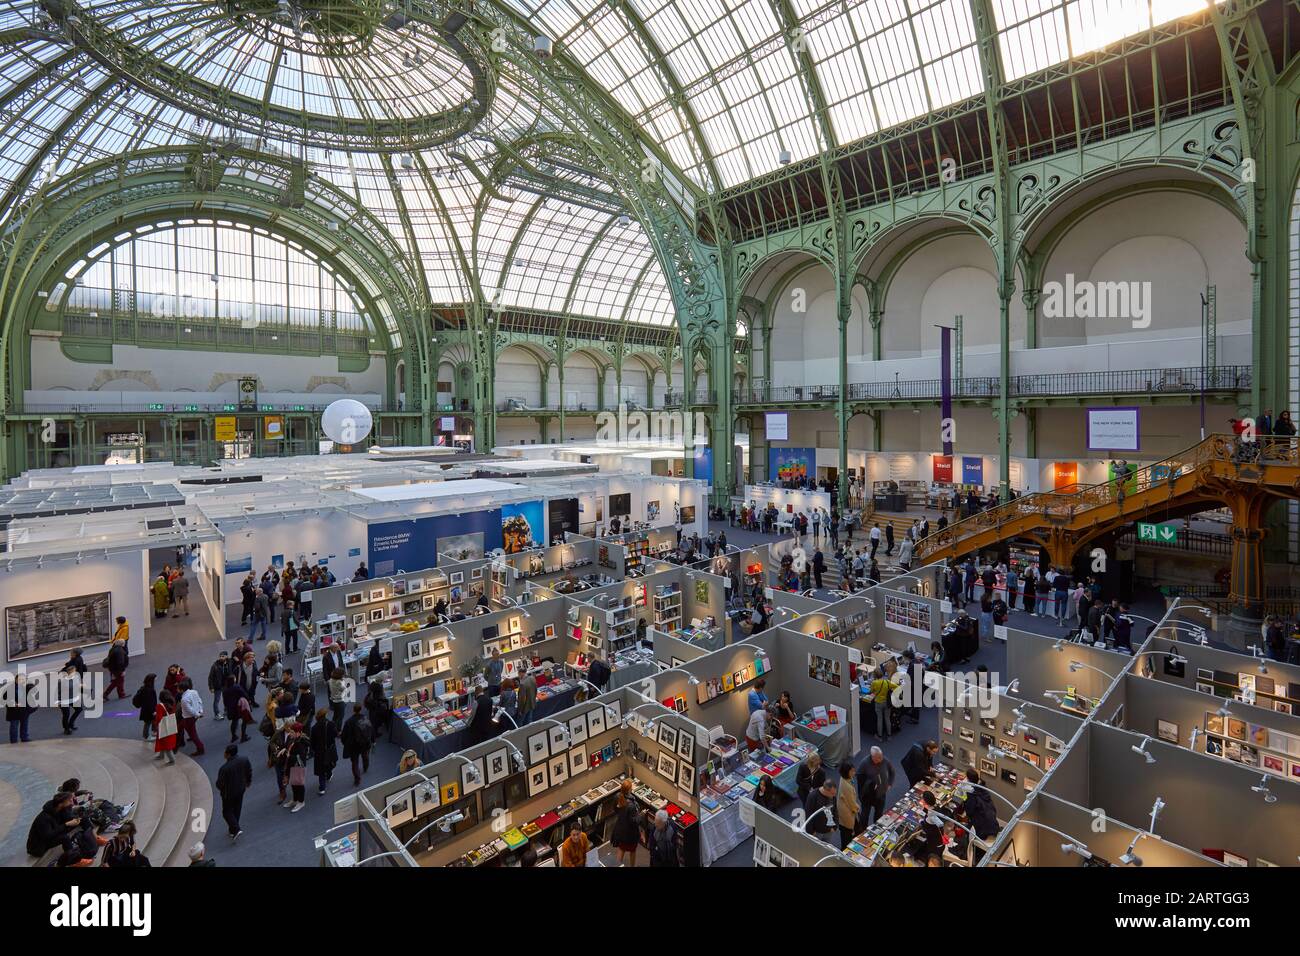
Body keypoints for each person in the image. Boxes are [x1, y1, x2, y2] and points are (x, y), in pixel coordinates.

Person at [214, 743, 252, 842]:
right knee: (237, 808)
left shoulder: (224, 768)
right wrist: (248, 782)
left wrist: (221, 788)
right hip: (241, 789)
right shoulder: (244, 759)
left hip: (228, 793)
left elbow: (219, 783)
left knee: (226, 811)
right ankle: (233, 828)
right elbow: (249, 771)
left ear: (228, 754)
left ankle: (235, 828)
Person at [857, 746, 895, 828]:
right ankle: (862, 832)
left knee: (879, 815)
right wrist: (872, 783)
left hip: (880, 794)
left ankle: (877, 829)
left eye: (881, 756)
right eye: (878, 758)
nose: (881, 759)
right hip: (867, 795)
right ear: (872, 756)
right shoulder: (864, 763)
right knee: (864, 816)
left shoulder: (885, 761)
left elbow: (892, 772)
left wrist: (889, 784)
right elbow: (859, 779)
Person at [278, 722, 310, 812]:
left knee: (299, 784)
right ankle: (295, 800)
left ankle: (301, 801)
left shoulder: (301, 742)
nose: (290, 734)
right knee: (293, 783)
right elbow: (289, 747)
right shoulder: (293, 739)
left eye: (292, 732)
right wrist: (285, 749)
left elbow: (301, 757)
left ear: (298, 732)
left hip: (298, 766)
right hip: (291, 765)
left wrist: (289, 755)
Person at [962, 769, 1000, 845]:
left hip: (981, 829)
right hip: (992, 823)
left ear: (968, 779)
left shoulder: (971, 795)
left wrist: (964, 797)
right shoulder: (983, 788)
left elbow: (969, 811)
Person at [610, 779, 642, 866]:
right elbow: (634, 822)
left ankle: (617, 866)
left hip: (620, 829)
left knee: (621, 849)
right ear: (629, 790)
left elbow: (615, 809)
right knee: (632, 851)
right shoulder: (631, 805)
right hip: (630, 833)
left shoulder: (617, 797)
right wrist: (641, 815)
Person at [341, 703, 374, 786]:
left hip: (353, 745)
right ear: (360, 709)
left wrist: (345, 743)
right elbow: (370, 730)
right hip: (365, 743)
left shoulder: (349, 722)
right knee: (365, 755)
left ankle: (357, 779)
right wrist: (372, 740)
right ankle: (365, 767)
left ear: (353, 710)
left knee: (355, 762)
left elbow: (344, 735)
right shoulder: (365, 718)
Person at [310, 707, 339, 796]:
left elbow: (312, 742)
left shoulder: (314, 728)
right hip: (329, 749)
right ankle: (329, 774)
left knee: (321, 770)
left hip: (319, 751)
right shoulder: (331, 724)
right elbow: (335, 735)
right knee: (330, 763)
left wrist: (314, 750)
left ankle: (322, 788)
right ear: (325, 715)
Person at [867, 668, 899, 743]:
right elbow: (897, 687)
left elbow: (870, 691)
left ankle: (879, 736)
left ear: (875, 675)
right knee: (887, 719)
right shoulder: (887, 681)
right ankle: (889, 735)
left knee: (879, 719)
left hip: (878, 703)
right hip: (887, 703)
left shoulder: (874, 683)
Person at [802, 778, 837, 843]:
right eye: (832, 793)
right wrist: (811, 832)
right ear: (825, 790)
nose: (834, 796)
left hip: (829, 830)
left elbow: (835, 810)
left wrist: (835, 827)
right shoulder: (813, 796)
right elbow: (808, 814)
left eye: (835, 793)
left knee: (827, 848)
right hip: (817, 833)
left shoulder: (832, 795)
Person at [836, 762, 860, 849]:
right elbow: (852, 804)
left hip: (843, 812)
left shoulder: (843, 778)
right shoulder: (847, 787)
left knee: (847, 832)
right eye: (852, 771)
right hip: (847, 814)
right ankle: (845, 851)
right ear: (847, 772)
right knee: (847, 835)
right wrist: (858, 807)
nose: (854, 772)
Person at [222, 674, 252, 743]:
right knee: (244, 720)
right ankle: (243, 736)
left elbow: (225, 701)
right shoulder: (236, 687)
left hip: (231, 708)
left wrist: (226, 707)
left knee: (234, 722)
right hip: (239, 707)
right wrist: (249, 701)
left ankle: (233, 736)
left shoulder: (225, 690)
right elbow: (244, 694)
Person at [179, 679, 205, 756]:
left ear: (181, 689)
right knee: (181, 727)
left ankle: (200, 748)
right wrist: (200, 711)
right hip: (194, 716)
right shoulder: (194, 692)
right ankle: (180, 740)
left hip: (188, 718)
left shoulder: (184, 699)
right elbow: (199, 701)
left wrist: (197, 714)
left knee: (193, 734)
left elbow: (190, 710)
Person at [130, 672, 158, 742]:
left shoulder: (144, 688)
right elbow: (149, 702)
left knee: (152, 721)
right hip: (149, 710)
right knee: (148, 723)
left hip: (145, 709)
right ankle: (146, 736)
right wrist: (153, 711)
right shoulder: (150, 690)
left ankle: (154, 731)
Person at [153, 690, 178, 765]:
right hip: (170, 727)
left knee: (166, 746)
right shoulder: (172, 703)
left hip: (163, 728)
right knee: (166, 744)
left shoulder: (160, 706)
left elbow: (159, 718)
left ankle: (172, 760)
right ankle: (161, 755)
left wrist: (155, 716)